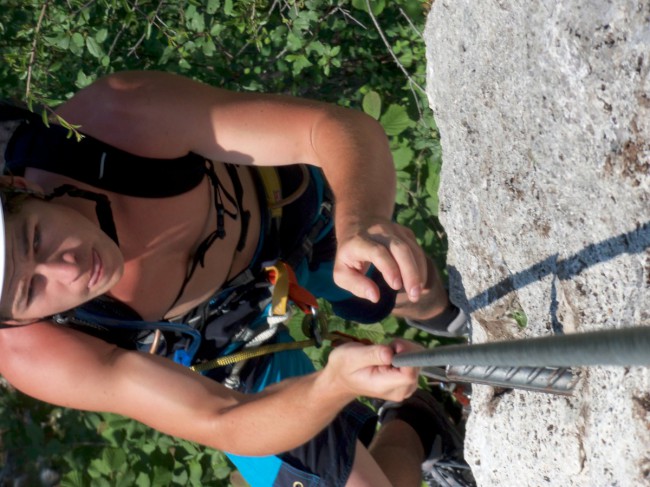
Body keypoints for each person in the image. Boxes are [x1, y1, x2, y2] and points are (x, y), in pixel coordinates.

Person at [0, 71, 470, 487]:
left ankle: (451, 318)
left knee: (399, 281)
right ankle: (418, 424)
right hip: (221, 346)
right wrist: (332, 387)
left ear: (22, 188)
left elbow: (329, 128)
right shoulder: (33, 353)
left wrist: (360, 221)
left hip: (292, 221)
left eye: (36, 239)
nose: (68, 268)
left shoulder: (117, 120)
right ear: (15, 321)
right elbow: (222, 420)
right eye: (30, 290)